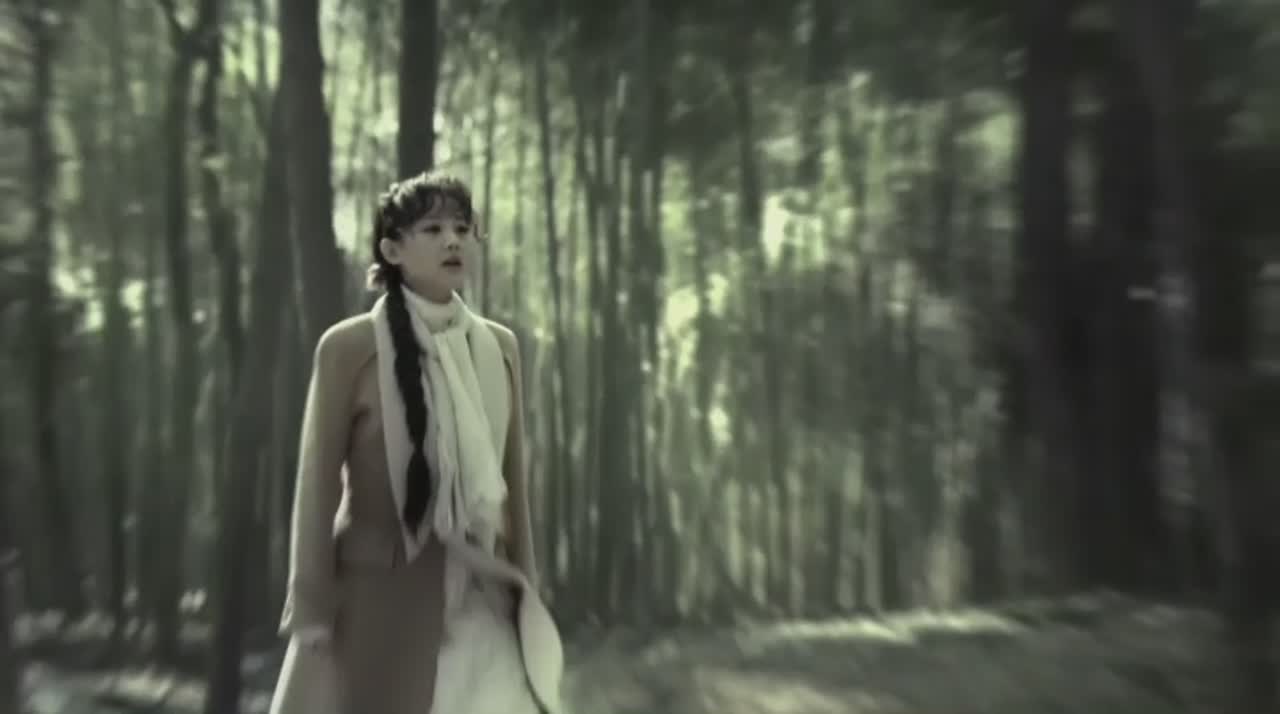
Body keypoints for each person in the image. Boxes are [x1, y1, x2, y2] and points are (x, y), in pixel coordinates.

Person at [268, 172, 563, 714]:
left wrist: (527, 587)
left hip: (482, 596)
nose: (453, 240)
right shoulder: (348, 348)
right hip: (380, 598)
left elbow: (512, 483)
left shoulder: (499, 348)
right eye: (432, 229)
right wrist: (311, 607)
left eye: (462, 229)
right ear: (392, 250)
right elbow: (317, 487)